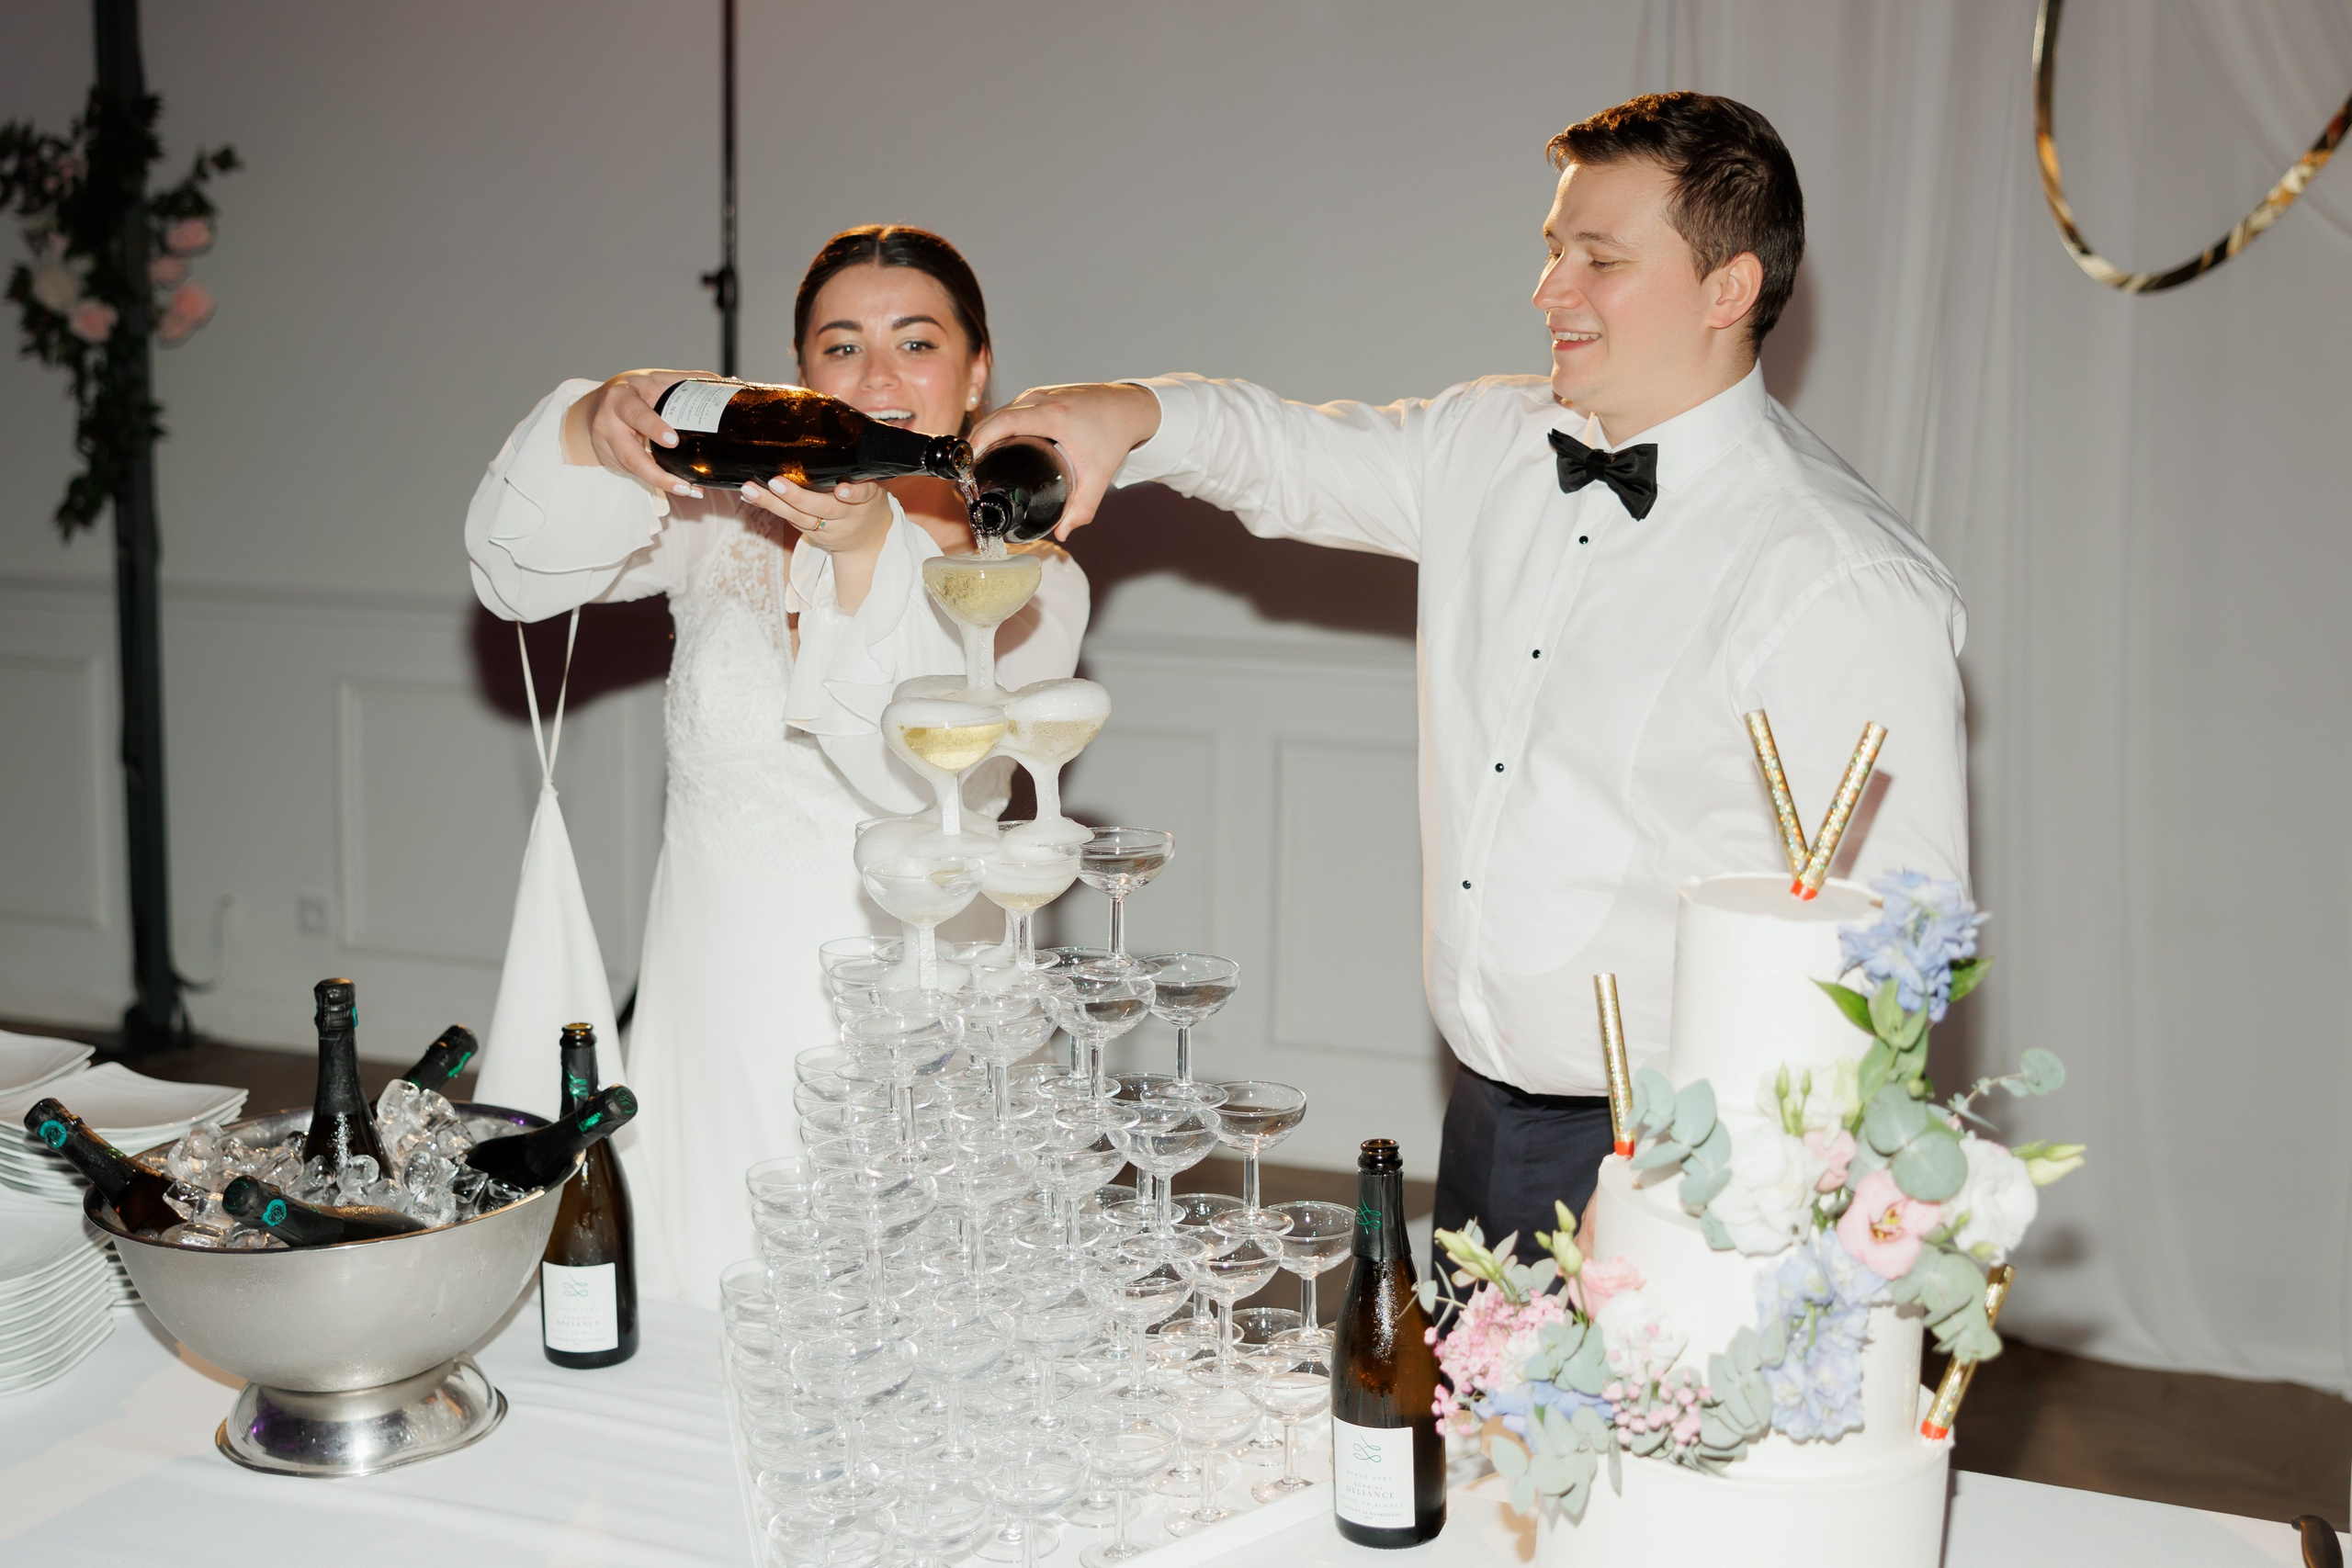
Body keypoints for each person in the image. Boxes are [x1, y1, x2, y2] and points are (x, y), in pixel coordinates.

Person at [970, 94, 1967, 1272]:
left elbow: (1902, 944)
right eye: (1552, 250)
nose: (1550, 290)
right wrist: (1129, 413)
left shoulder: (1837, 578)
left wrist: (1735, 1193)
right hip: (1486, 1118)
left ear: (1728, 289)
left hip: (1686, 1158)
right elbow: (1283, 454)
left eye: (1598, 259)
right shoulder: (1488, 443)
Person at [467, 226, 1088, 1306]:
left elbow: (912, 776)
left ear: (977, 371)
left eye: (916, 343)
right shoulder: (724, 523)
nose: (878, 377)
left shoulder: (1030, 575)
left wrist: (861, 551)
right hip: (713, 1007)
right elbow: (516, 578)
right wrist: (590, 422)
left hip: (914, 1030)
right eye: (841, 347)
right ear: (801, 376)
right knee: (700, 1306)